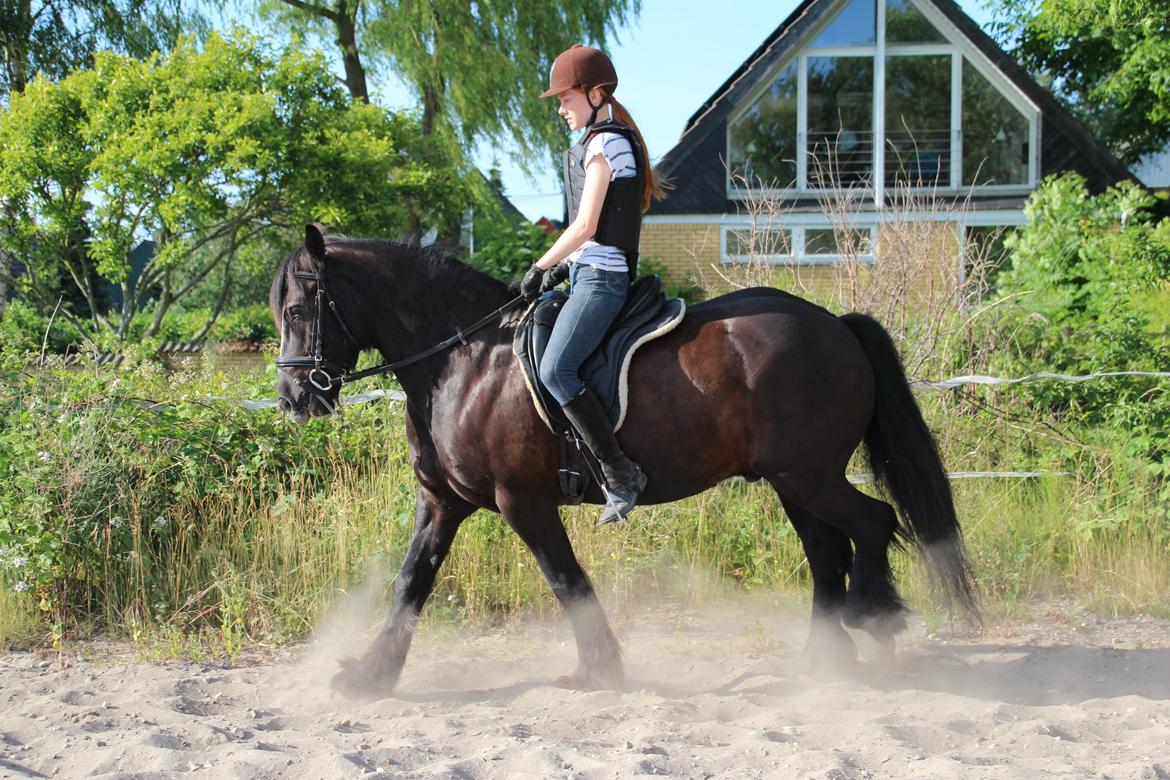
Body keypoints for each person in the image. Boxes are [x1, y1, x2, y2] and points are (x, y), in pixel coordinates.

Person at [517, 44, 664, 525]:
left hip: (602, 282)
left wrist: (540, 266)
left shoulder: (606, 144)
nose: (561, 110)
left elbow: (584, 226)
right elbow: (593, 235)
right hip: (586, 273)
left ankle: (620, 474)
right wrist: (561, 270)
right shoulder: (593, 142)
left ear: (596, 94)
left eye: (566, 99)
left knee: (557, 371)